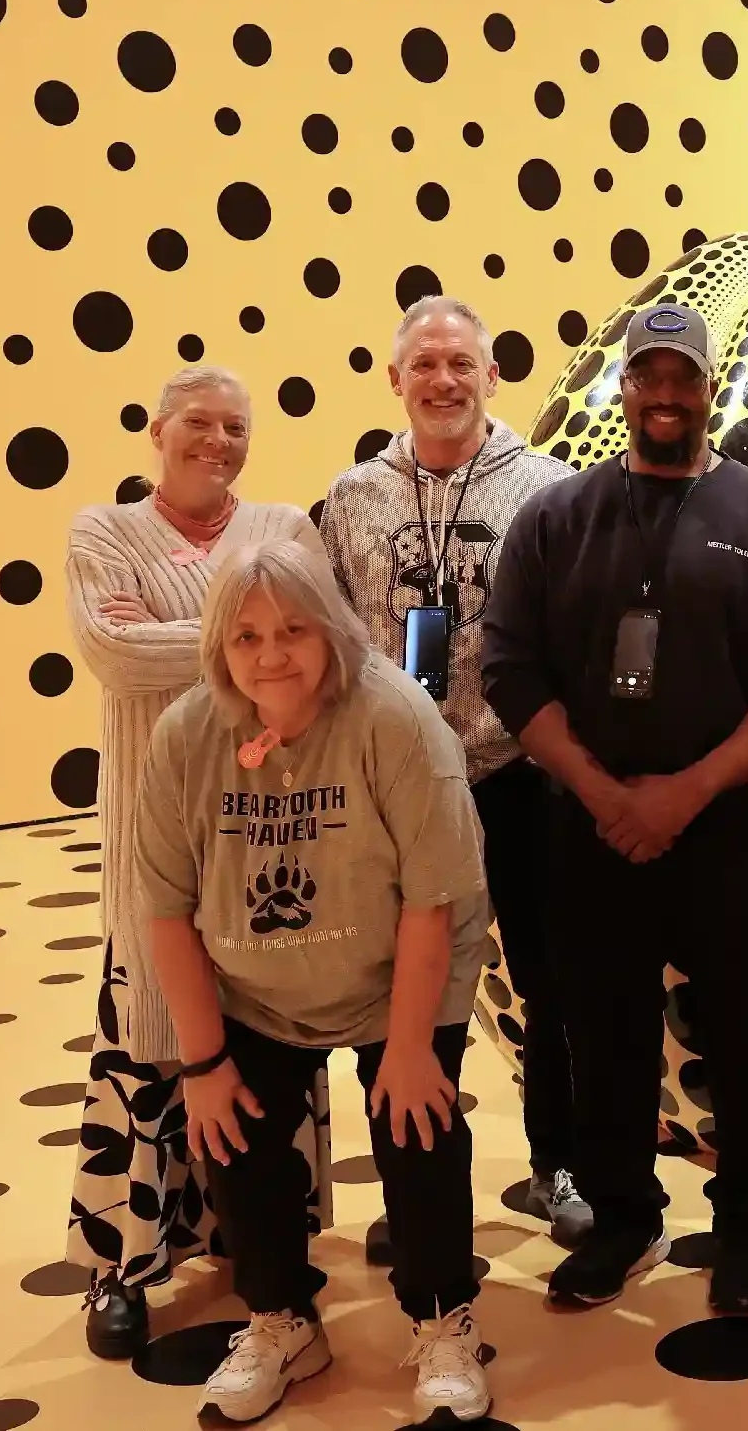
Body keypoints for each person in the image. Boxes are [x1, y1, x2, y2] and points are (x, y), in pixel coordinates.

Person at [481, 302, 748, 1316]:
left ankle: (744, 1230)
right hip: (587, 827)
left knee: (743, 1038)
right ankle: (624, 1219)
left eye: (684, 374)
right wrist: (605, 793)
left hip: (730, 828)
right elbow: (509, 670)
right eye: (650, 375)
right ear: (625, 389)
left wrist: (685, 791)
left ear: (709, 385)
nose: (667, 392)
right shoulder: (556, 517)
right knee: (600, 1034)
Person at [137, 541, 497, 1425]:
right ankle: (283, 1318)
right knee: (234, 1135)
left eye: (293, 629)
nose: (271, 654)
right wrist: (204, 1064)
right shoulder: (186, 735)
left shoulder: (396, 719)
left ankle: (442, 1316)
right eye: (248, 635)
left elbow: (432, 899)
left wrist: (410, 1048)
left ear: (332, 631)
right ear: (218, 646)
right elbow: (165, 910)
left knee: (418, 1131)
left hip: (396, 970)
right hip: (253, 986)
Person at [60, 366, 334, 1360]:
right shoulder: (102, 531)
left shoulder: (284, 527)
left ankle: (253, 1234)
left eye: (234, 427)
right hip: (154, 817)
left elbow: (324, 641)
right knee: (148, 1037)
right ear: (156, 428)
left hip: (269, 825)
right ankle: (124, 1262)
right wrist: (261, 641)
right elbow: (114, 652)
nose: (216, 441)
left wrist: (213, 638)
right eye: (198, 424)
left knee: (263, 1028)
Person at [321, 295, 591, 1244]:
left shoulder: (552, 490)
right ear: (395, 379)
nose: (443, 380)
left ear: (491, 375)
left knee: (555, 980)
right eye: (424, 365)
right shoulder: (352, 498)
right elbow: (337, 642)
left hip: (522, 771)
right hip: (399, 783)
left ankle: (560, 1166)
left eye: (460, 364)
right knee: (402, 989)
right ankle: (419, 1191)